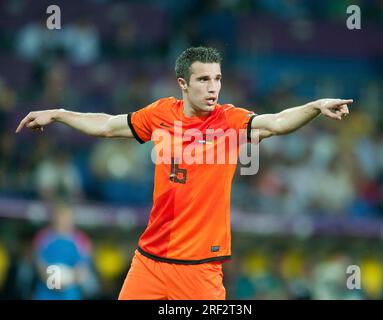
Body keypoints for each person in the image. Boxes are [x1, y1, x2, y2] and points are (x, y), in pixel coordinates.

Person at [16, 47, 352, 300]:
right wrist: (59, 113)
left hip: (200, 268)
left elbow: (276, 122)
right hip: (150, 260)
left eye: (217, 79)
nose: (213, 87)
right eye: (204, 79)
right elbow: (107, 124)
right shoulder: (161, 113)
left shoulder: (230, 121)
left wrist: (314, 107)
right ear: (183, 83)